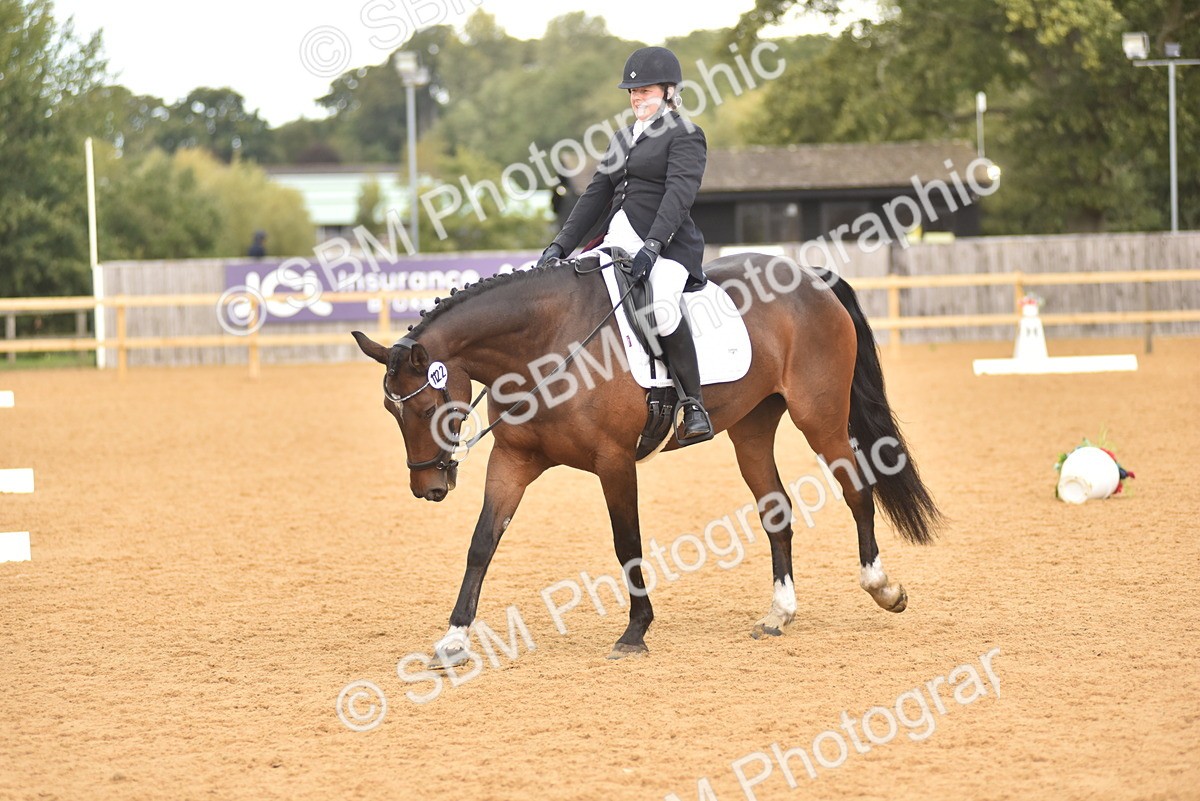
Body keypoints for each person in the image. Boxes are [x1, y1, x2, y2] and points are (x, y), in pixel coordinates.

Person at [535, 46, 713, 445]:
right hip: (615, 240)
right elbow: (595, 194)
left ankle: (693, 404)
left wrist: (653, 245)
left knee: (662, 309)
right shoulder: (622, 137)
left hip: (667, 247)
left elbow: (678, 195)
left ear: (668, 91)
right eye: (632, 92)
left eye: (644, 90)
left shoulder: (686, 134)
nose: (636, 98)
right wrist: (560, 246)